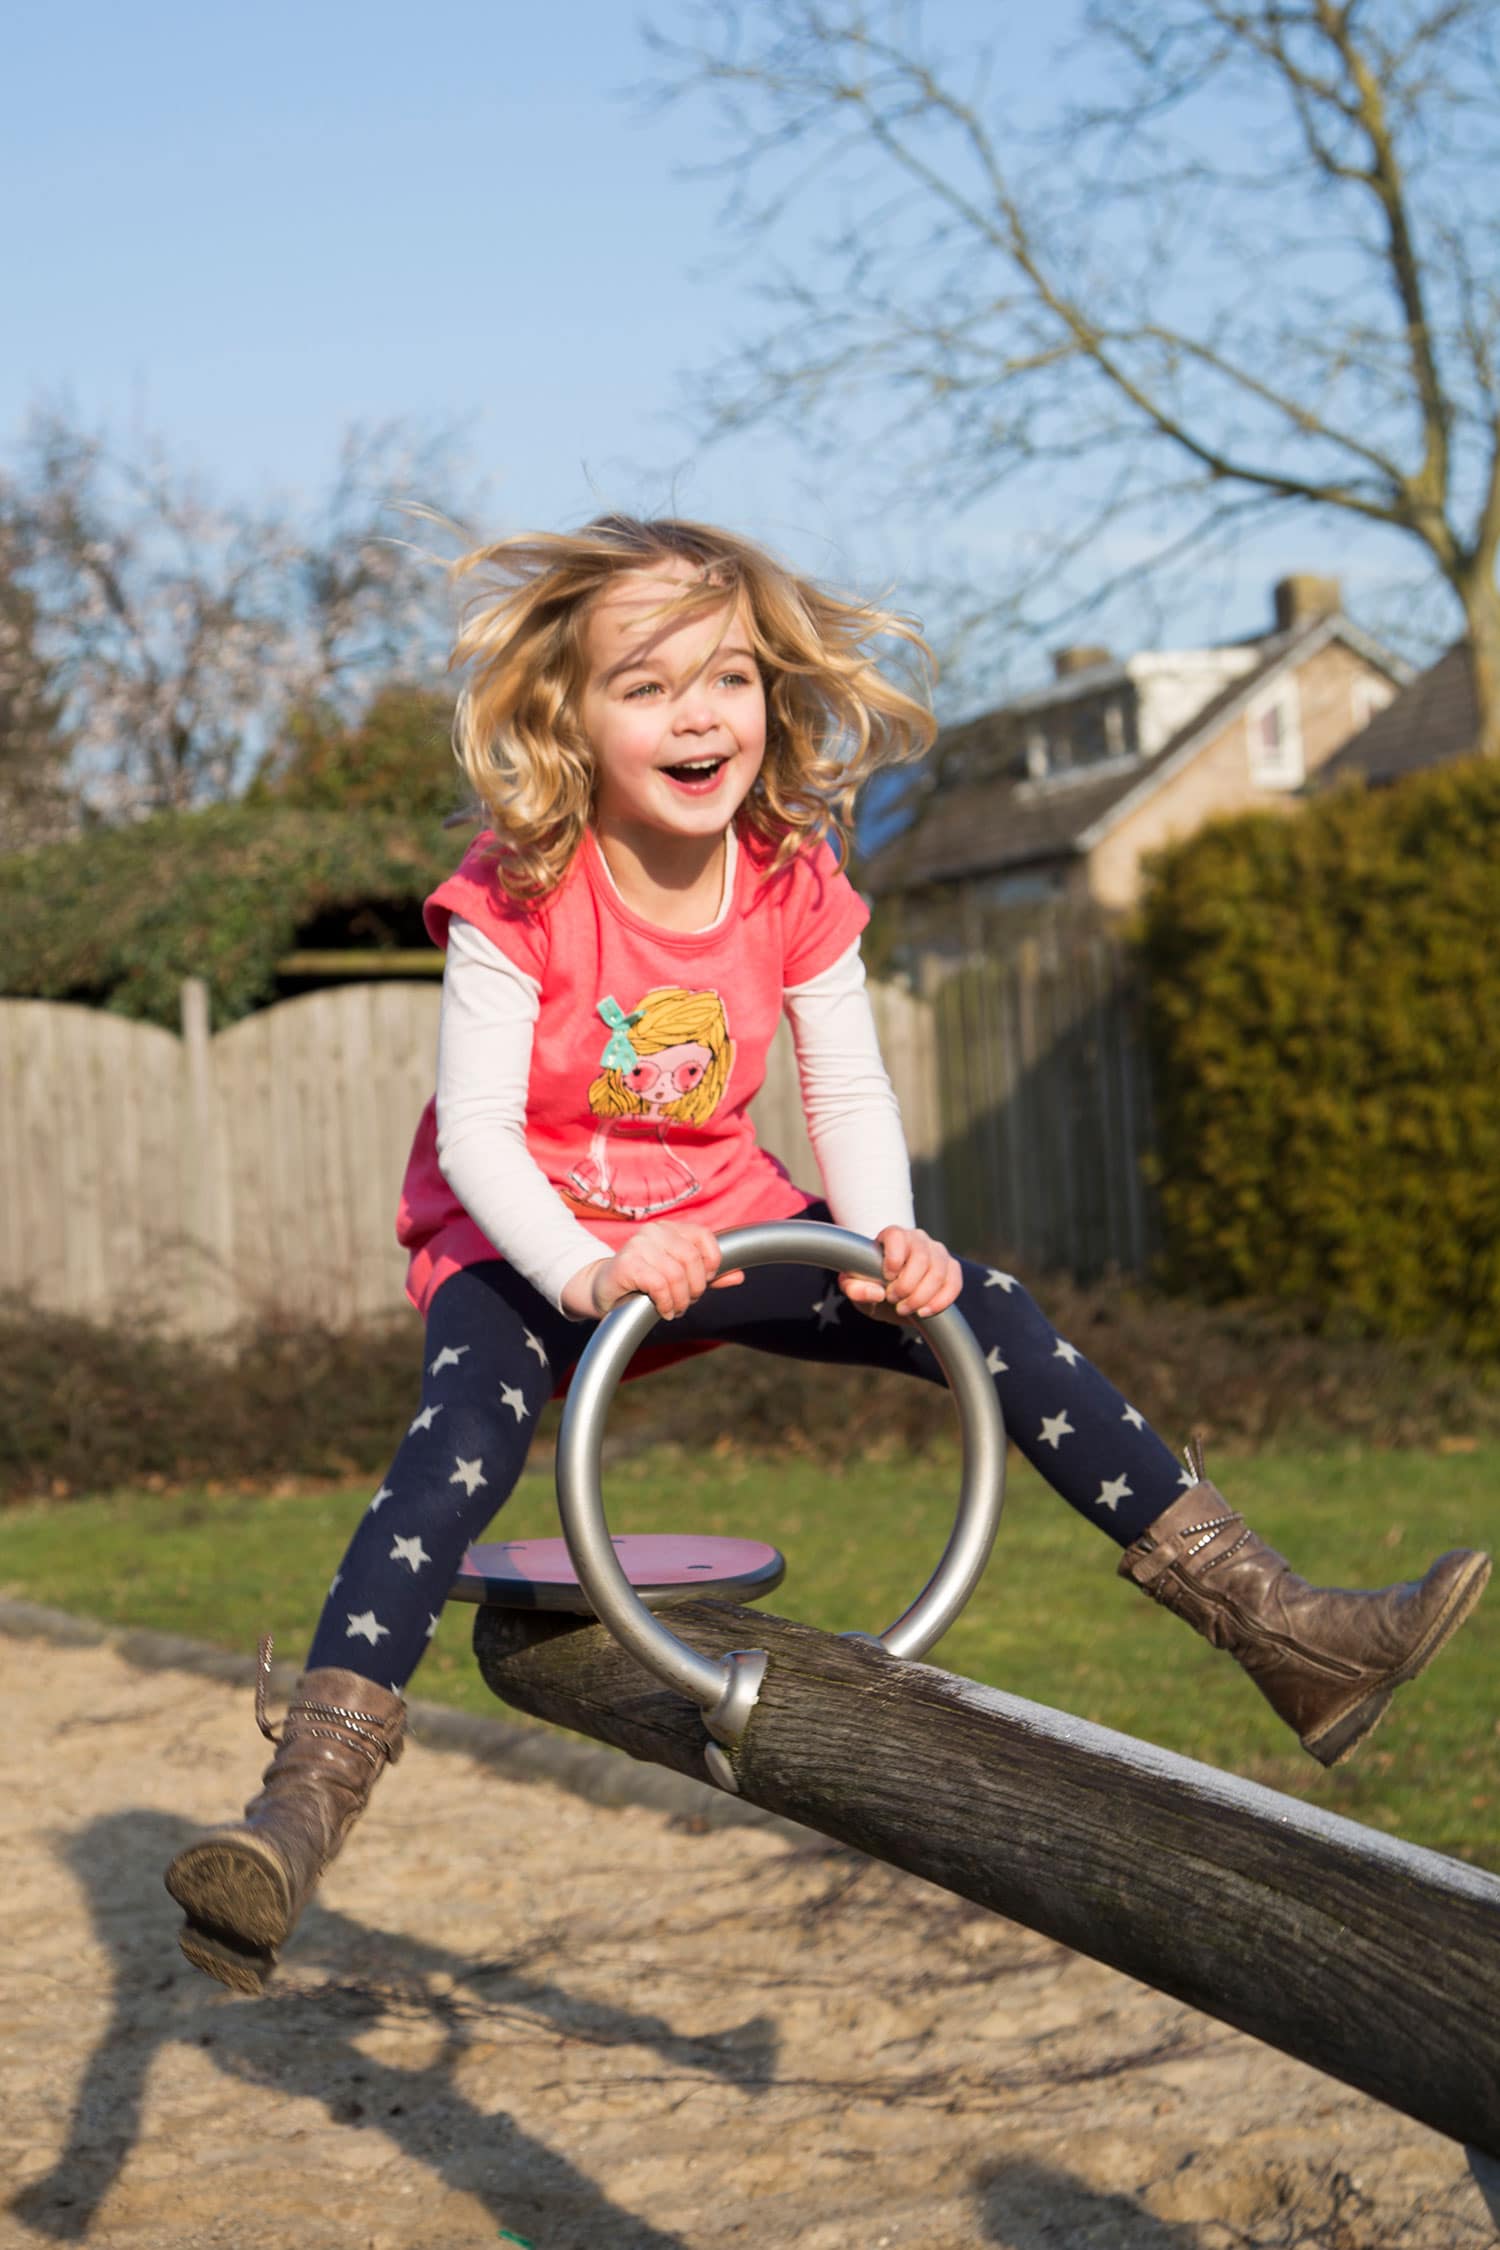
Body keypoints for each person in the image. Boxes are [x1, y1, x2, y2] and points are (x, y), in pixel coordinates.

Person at [165, 516, 1491, 1993]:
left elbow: (846, 1082)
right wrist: (588, 1269)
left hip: (730, 1219)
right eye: (646, 684)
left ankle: (1280, 1627)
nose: (697, 714)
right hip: (528, 1241)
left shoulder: (791, 874)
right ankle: (298, 1811)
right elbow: (475, 1133)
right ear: (570, 715)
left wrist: (880, 1241)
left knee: (981, 1309)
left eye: (726, 676)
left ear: (772, 694)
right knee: (452, 1454)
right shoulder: (524, 883)